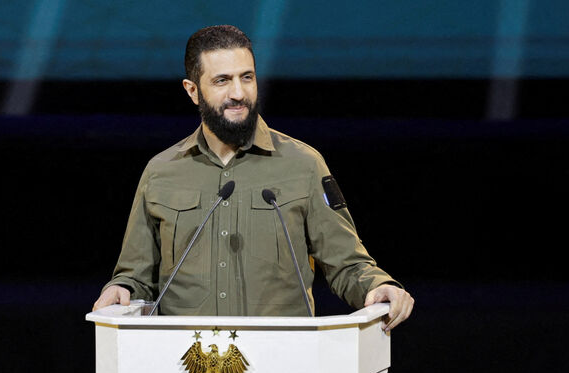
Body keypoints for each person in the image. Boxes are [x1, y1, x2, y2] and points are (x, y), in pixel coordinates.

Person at [93, 25, 413, 330]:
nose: (238, 93)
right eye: (222, 81)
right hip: (186, 362)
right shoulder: (161, 172)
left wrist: (377, 285)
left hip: (281, 360)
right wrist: (120, 289)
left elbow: (346, 263)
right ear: (192, 91)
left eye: (246, 77)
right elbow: (135, 277)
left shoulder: (303, 165)